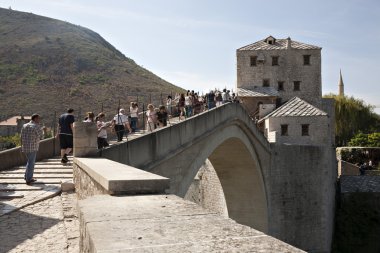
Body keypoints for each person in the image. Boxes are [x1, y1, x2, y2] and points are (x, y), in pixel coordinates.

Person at [21, 114, 44, 185]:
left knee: (29, 162)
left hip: (25, 147)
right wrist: (43, 130)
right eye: (39, 119)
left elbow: (21, 136)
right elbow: (42, 136)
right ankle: (29, 179)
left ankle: (26, 176)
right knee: (31, 163)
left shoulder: (24, 125)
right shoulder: (36, 126)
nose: (39, 120)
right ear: (35, 119)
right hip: (33, 147)